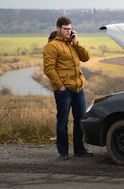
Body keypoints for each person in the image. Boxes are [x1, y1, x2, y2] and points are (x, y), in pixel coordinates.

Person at [43, 16, 93, 160]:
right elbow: (49, 69)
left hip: (78, 88)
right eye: (65, 29)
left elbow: (86, 57)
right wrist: (61, 87)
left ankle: (79, 149)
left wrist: (76, 43)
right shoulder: (52, 46)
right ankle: (63, 152)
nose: (68, 31)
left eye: (70, 28)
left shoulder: (72, 42)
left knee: (80, 119)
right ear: (58, 29)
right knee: (63, 121)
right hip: (64, 90)